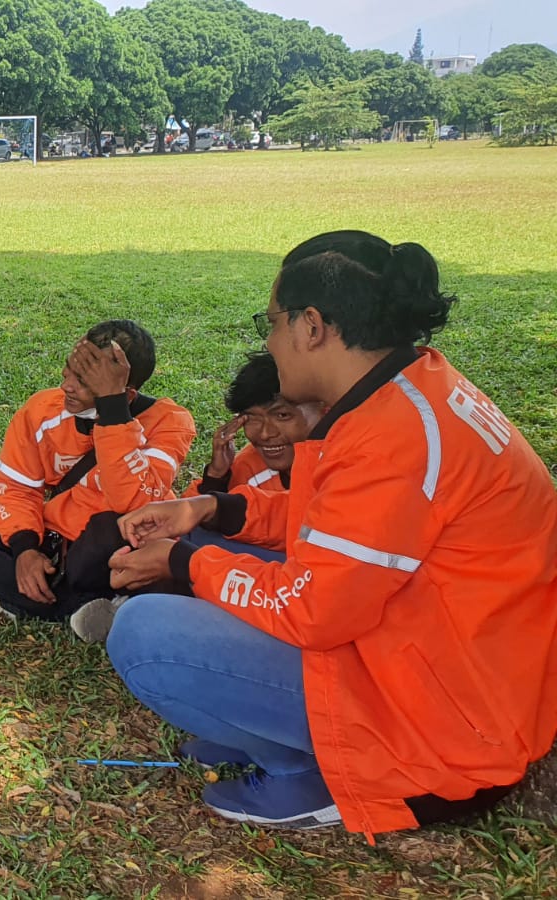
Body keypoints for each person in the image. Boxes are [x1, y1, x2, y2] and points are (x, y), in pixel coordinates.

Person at [105, 231, 557, 834]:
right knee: (212, 550)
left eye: (271, 324)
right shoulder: (408, 392)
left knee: (145, 633)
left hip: (443, 728)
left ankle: (317, 774)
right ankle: (283, 732)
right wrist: (210, 511)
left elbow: (314, 609)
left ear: (311, 326)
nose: (270, 343)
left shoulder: (395, 437)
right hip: (428, 656)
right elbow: (337, 530)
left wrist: (184, 563)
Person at [0, 320, 196, 641]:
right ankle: (77, 607)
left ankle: (25, 598)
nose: (67, 386)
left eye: (84, 381)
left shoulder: (170, 422)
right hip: (52, 545)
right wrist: (25, 549)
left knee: (113, 525)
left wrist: (113, 412)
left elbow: (131, 501)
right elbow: (16, 488)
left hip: (111, 550)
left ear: (125, 392)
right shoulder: (41, 410)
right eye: (68, 371)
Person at [179, 352, 322, 561]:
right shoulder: (252, 462)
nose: (266, 433)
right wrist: (217, 476)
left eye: (282, 415)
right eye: (252, 419)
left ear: (322, 410)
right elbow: (196, 519)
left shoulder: (342, 461)